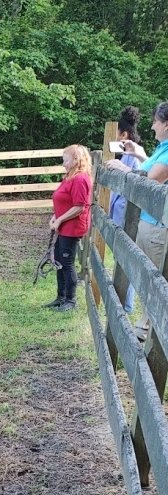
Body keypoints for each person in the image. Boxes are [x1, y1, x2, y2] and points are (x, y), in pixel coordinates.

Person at [105, 101, 168, 340]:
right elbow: (151, 168)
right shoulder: (163, 148)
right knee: (148, 277)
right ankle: (146, 326)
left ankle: (149, 330)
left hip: (157, 226)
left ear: (167, 124)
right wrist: (139, 153)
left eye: (156, 122)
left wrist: (124, 169)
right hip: (148, 221)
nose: (152, 126)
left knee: (155, 280)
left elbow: (152, 181)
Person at [43, 144, 93, 312]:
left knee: (66, 262)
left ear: (76, 160)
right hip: (63, 226)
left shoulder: (80, 179)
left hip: (72, 228)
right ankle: (60, 297)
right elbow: (63, 201)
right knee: (58, 260)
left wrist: (60, 219)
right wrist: (55, 217)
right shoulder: (69, 177)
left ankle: (70, 300)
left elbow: (80, 206)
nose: (63, 163)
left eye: (66, 160)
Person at [108, 106, 141, 313]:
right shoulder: (126, 157)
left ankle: (126, 305)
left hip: (127, 219)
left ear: (124, 135)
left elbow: (138, 185)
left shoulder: (134, 158)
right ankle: (123, 302)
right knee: (121, 259)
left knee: (126, 260)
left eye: (115, 135)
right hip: (120, 217)